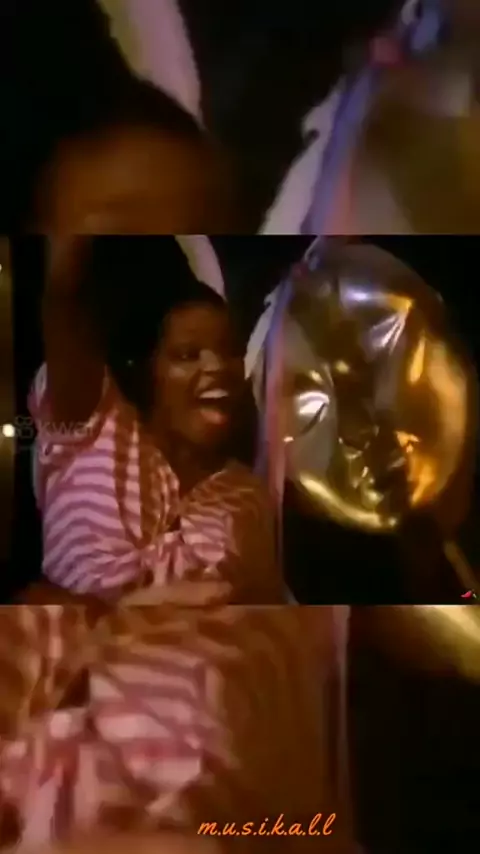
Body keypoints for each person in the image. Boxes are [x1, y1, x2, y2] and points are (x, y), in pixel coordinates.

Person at [20, 236, 283, 608]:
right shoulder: (94, 424)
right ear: (150, 370)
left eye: (231, 352)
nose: (218, 367)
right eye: (188, 354)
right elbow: (64, 297)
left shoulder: (248, 496)